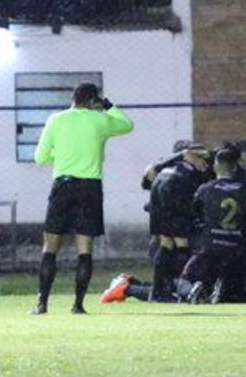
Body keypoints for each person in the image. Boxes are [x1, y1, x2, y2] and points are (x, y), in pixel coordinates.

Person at [31, 83, 134, 315]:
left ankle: (42, 304)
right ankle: (78, 305)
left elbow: (40, 157)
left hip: (63, 185)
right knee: (84, 249)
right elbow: (128, 125)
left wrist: (59, 155)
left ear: (73, 98)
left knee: (50, 247)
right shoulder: (100, 120)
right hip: (90, 188)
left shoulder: (56, 120)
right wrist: (108, 106)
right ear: (92, 101)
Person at [101, 144, 212, 303]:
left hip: (159, 220)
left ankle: (157, 292)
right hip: (174, 208)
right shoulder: (196, 168)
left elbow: (146, 182)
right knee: (181, 244)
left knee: (167, 243)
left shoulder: (165, 167)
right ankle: (181, 290)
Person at [177, 149, 246, 303]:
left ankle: (192, 291)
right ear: (235, 167)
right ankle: (222, 291)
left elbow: (192, 216)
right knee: (233, 284)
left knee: (184, 281)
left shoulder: (205, 189)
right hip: (237, 247)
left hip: (210, 246)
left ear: (215, 167)